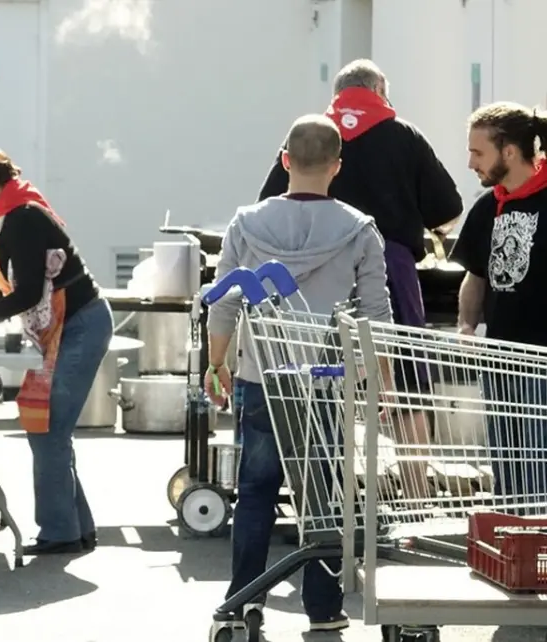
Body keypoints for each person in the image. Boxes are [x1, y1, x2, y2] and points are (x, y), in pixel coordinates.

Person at [206, 115, 392, 633]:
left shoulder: (246, 223)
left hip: (262, 375)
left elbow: (224, 302)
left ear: (285, 160)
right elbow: (376, 314)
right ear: (337, 166)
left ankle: (244, 599)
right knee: (323, 495)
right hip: (328, 381)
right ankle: (323, 607)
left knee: (256, 490)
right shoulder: (359, 229)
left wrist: (217, 363)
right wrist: (380, 378)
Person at [257, 59, 462, 501]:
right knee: (408, 381)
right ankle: (415, 494)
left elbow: (269, 203)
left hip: (314, 272)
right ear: (379, 91)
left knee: (321, 378)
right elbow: (448, 209)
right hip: (390, 267)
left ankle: (329, 493)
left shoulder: (312, 137)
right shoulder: (404, 135)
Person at [0, 146, 109, 556]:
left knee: (48, 430)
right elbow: (17, 284)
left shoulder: (23, 218)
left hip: (79, 326)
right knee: (50, 430)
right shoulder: (14, 214)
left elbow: (30, 291)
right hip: (69, 326)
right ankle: (76, 529)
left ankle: (60, 533)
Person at [450, 102, 547, 510]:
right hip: (499, 359)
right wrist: (466, 326)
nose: (470, 163)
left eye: (478, 152)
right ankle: (512, 536)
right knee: (508, 474)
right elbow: (475, 276)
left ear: (509, 151)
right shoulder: (487, 207)